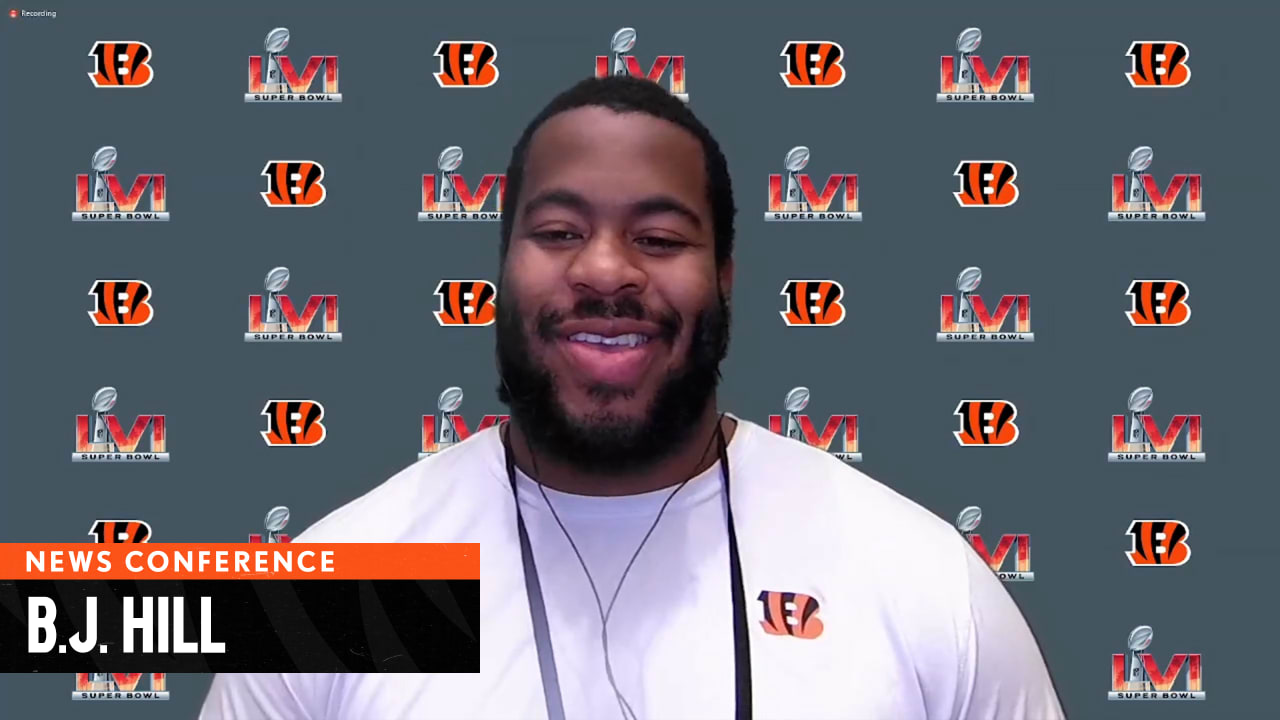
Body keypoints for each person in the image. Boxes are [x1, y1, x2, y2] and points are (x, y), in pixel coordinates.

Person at [201, 75, 1065, 720]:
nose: (605, 270)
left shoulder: (914, 578)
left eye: (657, 237)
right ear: (501, 269)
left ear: (724, 277)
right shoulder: (346, 581)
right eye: (558, 232)